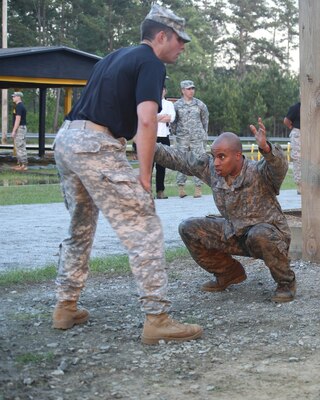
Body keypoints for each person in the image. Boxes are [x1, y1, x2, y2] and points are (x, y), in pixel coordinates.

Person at [51, 4, 203, 345]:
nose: (183, 46)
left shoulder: (113, 57)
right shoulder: (151, 62)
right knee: (143, 225)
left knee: (80, 226)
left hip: (68, 140)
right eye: (180, 39)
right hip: (96, 144)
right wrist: (145, 177)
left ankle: (65, 306)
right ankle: (157, 318)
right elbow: (146, 121)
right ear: (161, 36)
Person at [153, 118, 297, 303]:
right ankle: (229, 273)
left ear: (238, 156)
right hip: (235, 233)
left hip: (269, 237)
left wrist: (267, 149)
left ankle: (286, 282)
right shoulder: (212, 170)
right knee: (189, 228)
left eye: (222, 157)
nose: (216, 163)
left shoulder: (259, 172)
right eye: (214, 157)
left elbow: (278, 167)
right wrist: (149, 145)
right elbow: (180, 159)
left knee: (259, 235)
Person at [171, 79, 209, 198]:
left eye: (193, 88)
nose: (191, 91)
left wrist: (203, 133)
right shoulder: (176, 105)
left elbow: (205, 119)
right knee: (182, 162)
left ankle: (198, 188)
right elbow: (173, 122)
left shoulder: (200, 104)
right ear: (183, 90)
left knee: (199, 161)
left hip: (197, 138)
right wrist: (177, 133)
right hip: (182, 138)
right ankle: (181, 188)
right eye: (189, 89)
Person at [155, 84, 176, 199]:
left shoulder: (169, 104)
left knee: (161, 165)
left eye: (162, 89)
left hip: (164, 136)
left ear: (165, 91)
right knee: (148, 165)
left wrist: (157, 117)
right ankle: (146, 191)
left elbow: (171, 118)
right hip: (151, 136)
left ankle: (160, 191)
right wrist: (162, 116)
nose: (160, 91)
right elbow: (148, 117)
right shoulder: (151, 103)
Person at [283, 101, 301, 194]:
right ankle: (300, 185)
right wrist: (292, 127)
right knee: (298, 159)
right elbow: (286, 120)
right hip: (298, 133)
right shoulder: (296, 107)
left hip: (310, 133)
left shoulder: (312, 105)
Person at [10, 91, 28, 171]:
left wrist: (14, 131)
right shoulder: (17, 106)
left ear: (18, 97)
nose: (13, 98)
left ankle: (24, 165)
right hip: (20, 128)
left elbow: (18, 119)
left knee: (20, 146)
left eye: (14, 96)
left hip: (20, 128)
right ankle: (20, 164)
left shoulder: (19, 106)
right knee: (18, 146)